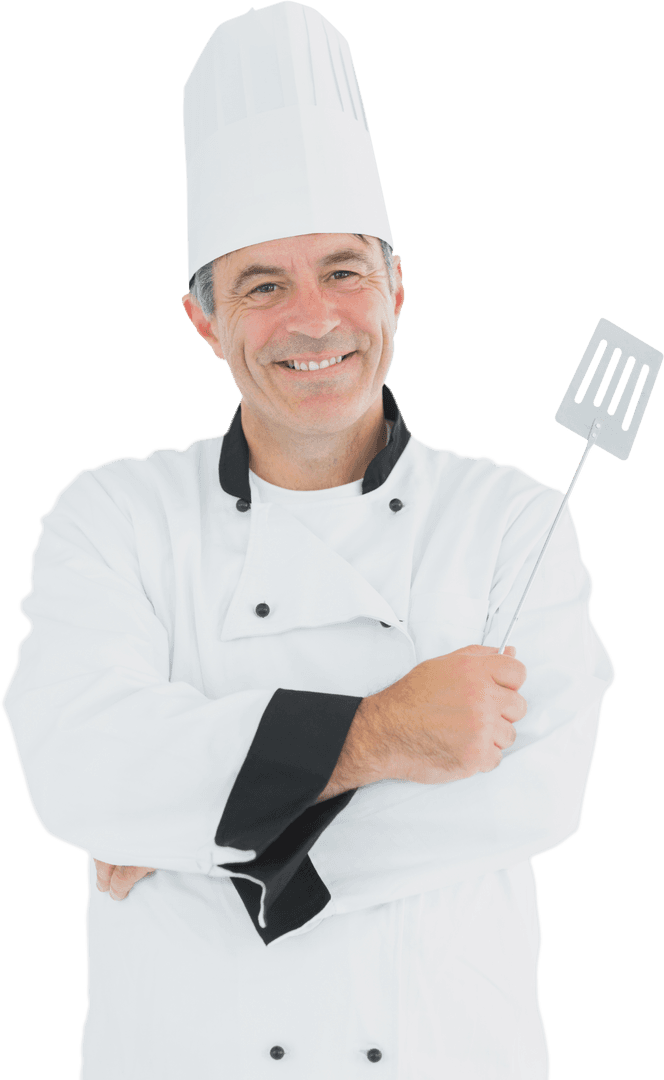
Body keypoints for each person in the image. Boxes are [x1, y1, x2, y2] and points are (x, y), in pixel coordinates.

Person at [1, 3, 615, 1078]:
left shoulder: (515, 519)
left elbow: (537, 788)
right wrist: (385, 731)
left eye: (342, 271)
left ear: (396, 289)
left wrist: (219, 844)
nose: (314, 320)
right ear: (205, 321)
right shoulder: (112, 515)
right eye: (262, 286)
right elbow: (76, 767)